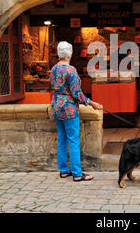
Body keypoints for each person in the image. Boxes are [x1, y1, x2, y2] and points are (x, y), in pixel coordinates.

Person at [50, 41, 102, 181]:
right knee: (73, 140)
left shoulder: (54, 69)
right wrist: (91, 103)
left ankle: (63, 170)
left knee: (62, 139)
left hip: (56, 106)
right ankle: (77, 174)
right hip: (69, 109)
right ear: (70, 54)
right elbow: (76, 93)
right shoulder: (70, 70)